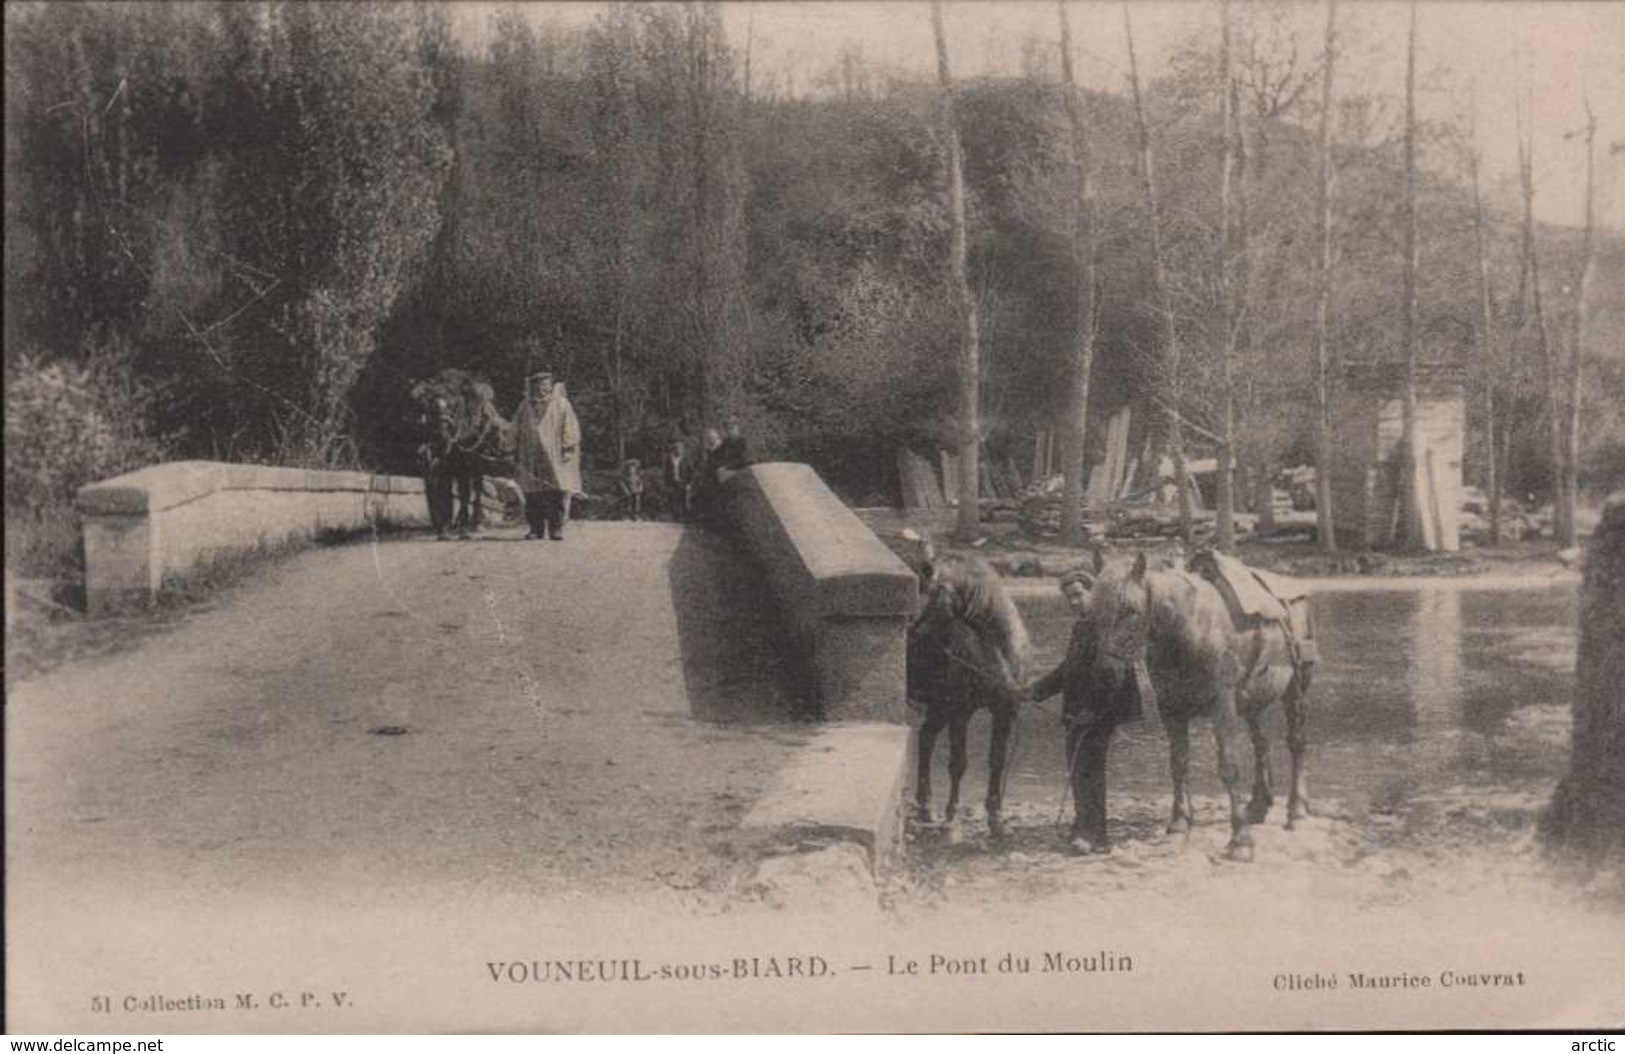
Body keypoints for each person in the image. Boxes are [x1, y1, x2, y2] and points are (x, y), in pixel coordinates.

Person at [1029, 565, 1137, 855]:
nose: (1074, 601)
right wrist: (1036, 690)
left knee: (1089, 769)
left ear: (1094, 593)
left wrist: (1092, 710)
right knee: (1079, 769)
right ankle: (1084, 828)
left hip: (1099, 711)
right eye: (1069, 597)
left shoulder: (1107, 625)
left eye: (1078, 594)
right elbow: (1069, 670)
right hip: (1079, 710)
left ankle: (1095, 835)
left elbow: (1113, 672)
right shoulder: (1083, 626)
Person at [512, 370, 582, 540]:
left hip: (554, 454)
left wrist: (568, 447)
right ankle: (535, 529)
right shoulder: (525, 405)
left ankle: (556, 528)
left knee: (556, 491)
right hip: (530, 454)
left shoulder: (561, 404)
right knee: (532, 493)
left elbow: (570, 426)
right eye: (537, 385)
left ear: (550, 386)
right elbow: (514, 427)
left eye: (544, 385)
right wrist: (510, 446)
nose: (541, 389)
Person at [414, 386, 456, 541]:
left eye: (440, 410)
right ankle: (440, 527)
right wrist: (425, 450)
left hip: (443, 462)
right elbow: (421, 440)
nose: (439, 414)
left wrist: (440, 457)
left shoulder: (445, 424)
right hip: (430, 461)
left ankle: (444, 526)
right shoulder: (426, 423)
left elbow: (448, 443)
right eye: (436, 410)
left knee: (443, 492)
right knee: (433, 493)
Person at [661, 438, 692, 521]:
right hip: (672, 482)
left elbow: (691, 472)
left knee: (683, 499)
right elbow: (666, 472)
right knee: (673, 499)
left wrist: (689, 483)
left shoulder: (686, 460)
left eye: (681, 449)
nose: (679, 450)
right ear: (674, 449)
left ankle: (684, 517)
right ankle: (675, 516)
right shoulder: (669, 459)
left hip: (683, 482)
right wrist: (665, 483)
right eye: (677, 449)